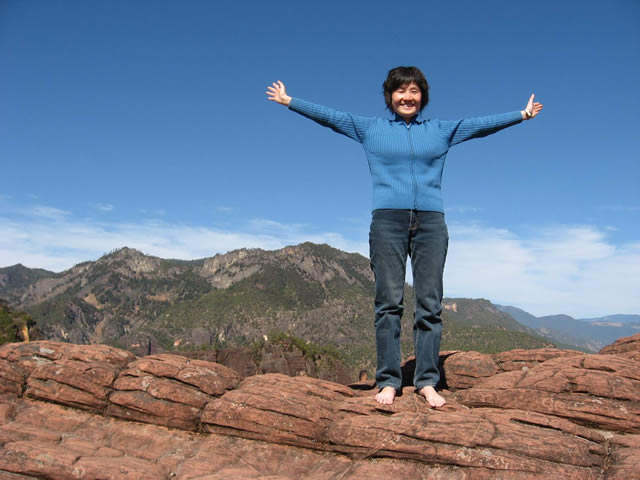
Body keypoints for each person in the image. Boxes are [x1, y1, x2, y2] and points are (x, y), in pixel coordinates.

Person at [266, 66, 542, 407]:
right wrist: (289, 101)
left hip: (431, 223)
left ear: (422, 96)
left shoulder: (440, 131)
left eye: (413, 91)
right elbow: (331, 117)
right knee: (388, 303)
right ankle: (388, 381)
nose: (407, 97)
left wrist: (521, 115)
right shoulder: (371, 129)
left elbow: (479, 126)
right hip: (388, 222)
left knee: (429, 304)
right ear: (389, 96)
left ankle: (427, 381)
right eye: (400, 91)